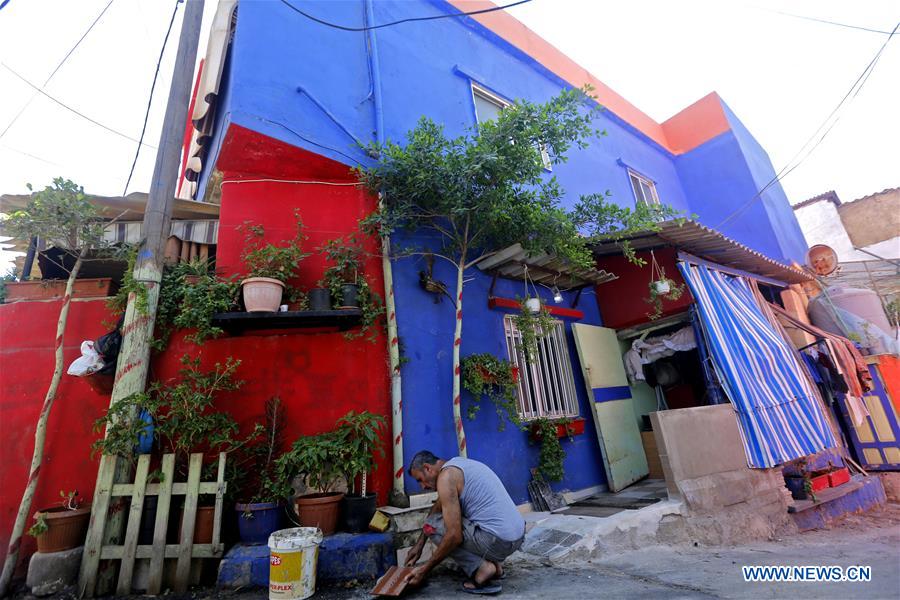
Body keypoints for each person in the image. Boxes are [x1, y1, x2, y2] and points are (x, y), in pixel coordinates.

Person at [403, 450, 525, 595]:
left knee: (433, 526)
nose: (422, 486)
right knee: (456, 518)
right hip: (517, 537)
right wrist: (419, 545)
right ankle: (496, 566)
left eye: (420, 480)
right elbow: (438, 506)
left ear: (427, 468)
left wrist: (424, 570)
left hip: (498, 542)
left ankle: (483, 569)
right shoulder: (458, 465)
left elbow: (454, 536)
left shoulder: (445, 478)